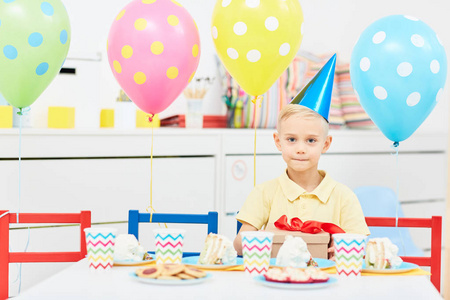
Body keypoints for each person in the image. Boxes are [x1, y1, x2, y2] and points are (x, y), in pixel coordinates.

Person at [233, 54, 369, 258]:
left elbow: (360, 246)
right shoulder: (264, 193)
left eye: (311, 141)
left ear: (326, 144)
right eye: (291, 139)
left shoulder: (343, 197)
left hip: (326, 283)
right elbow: (238, 244)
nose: (300, 149)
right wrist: (260, 241)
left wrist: (342, 250)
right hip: (276, 283)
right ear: (278, 142)